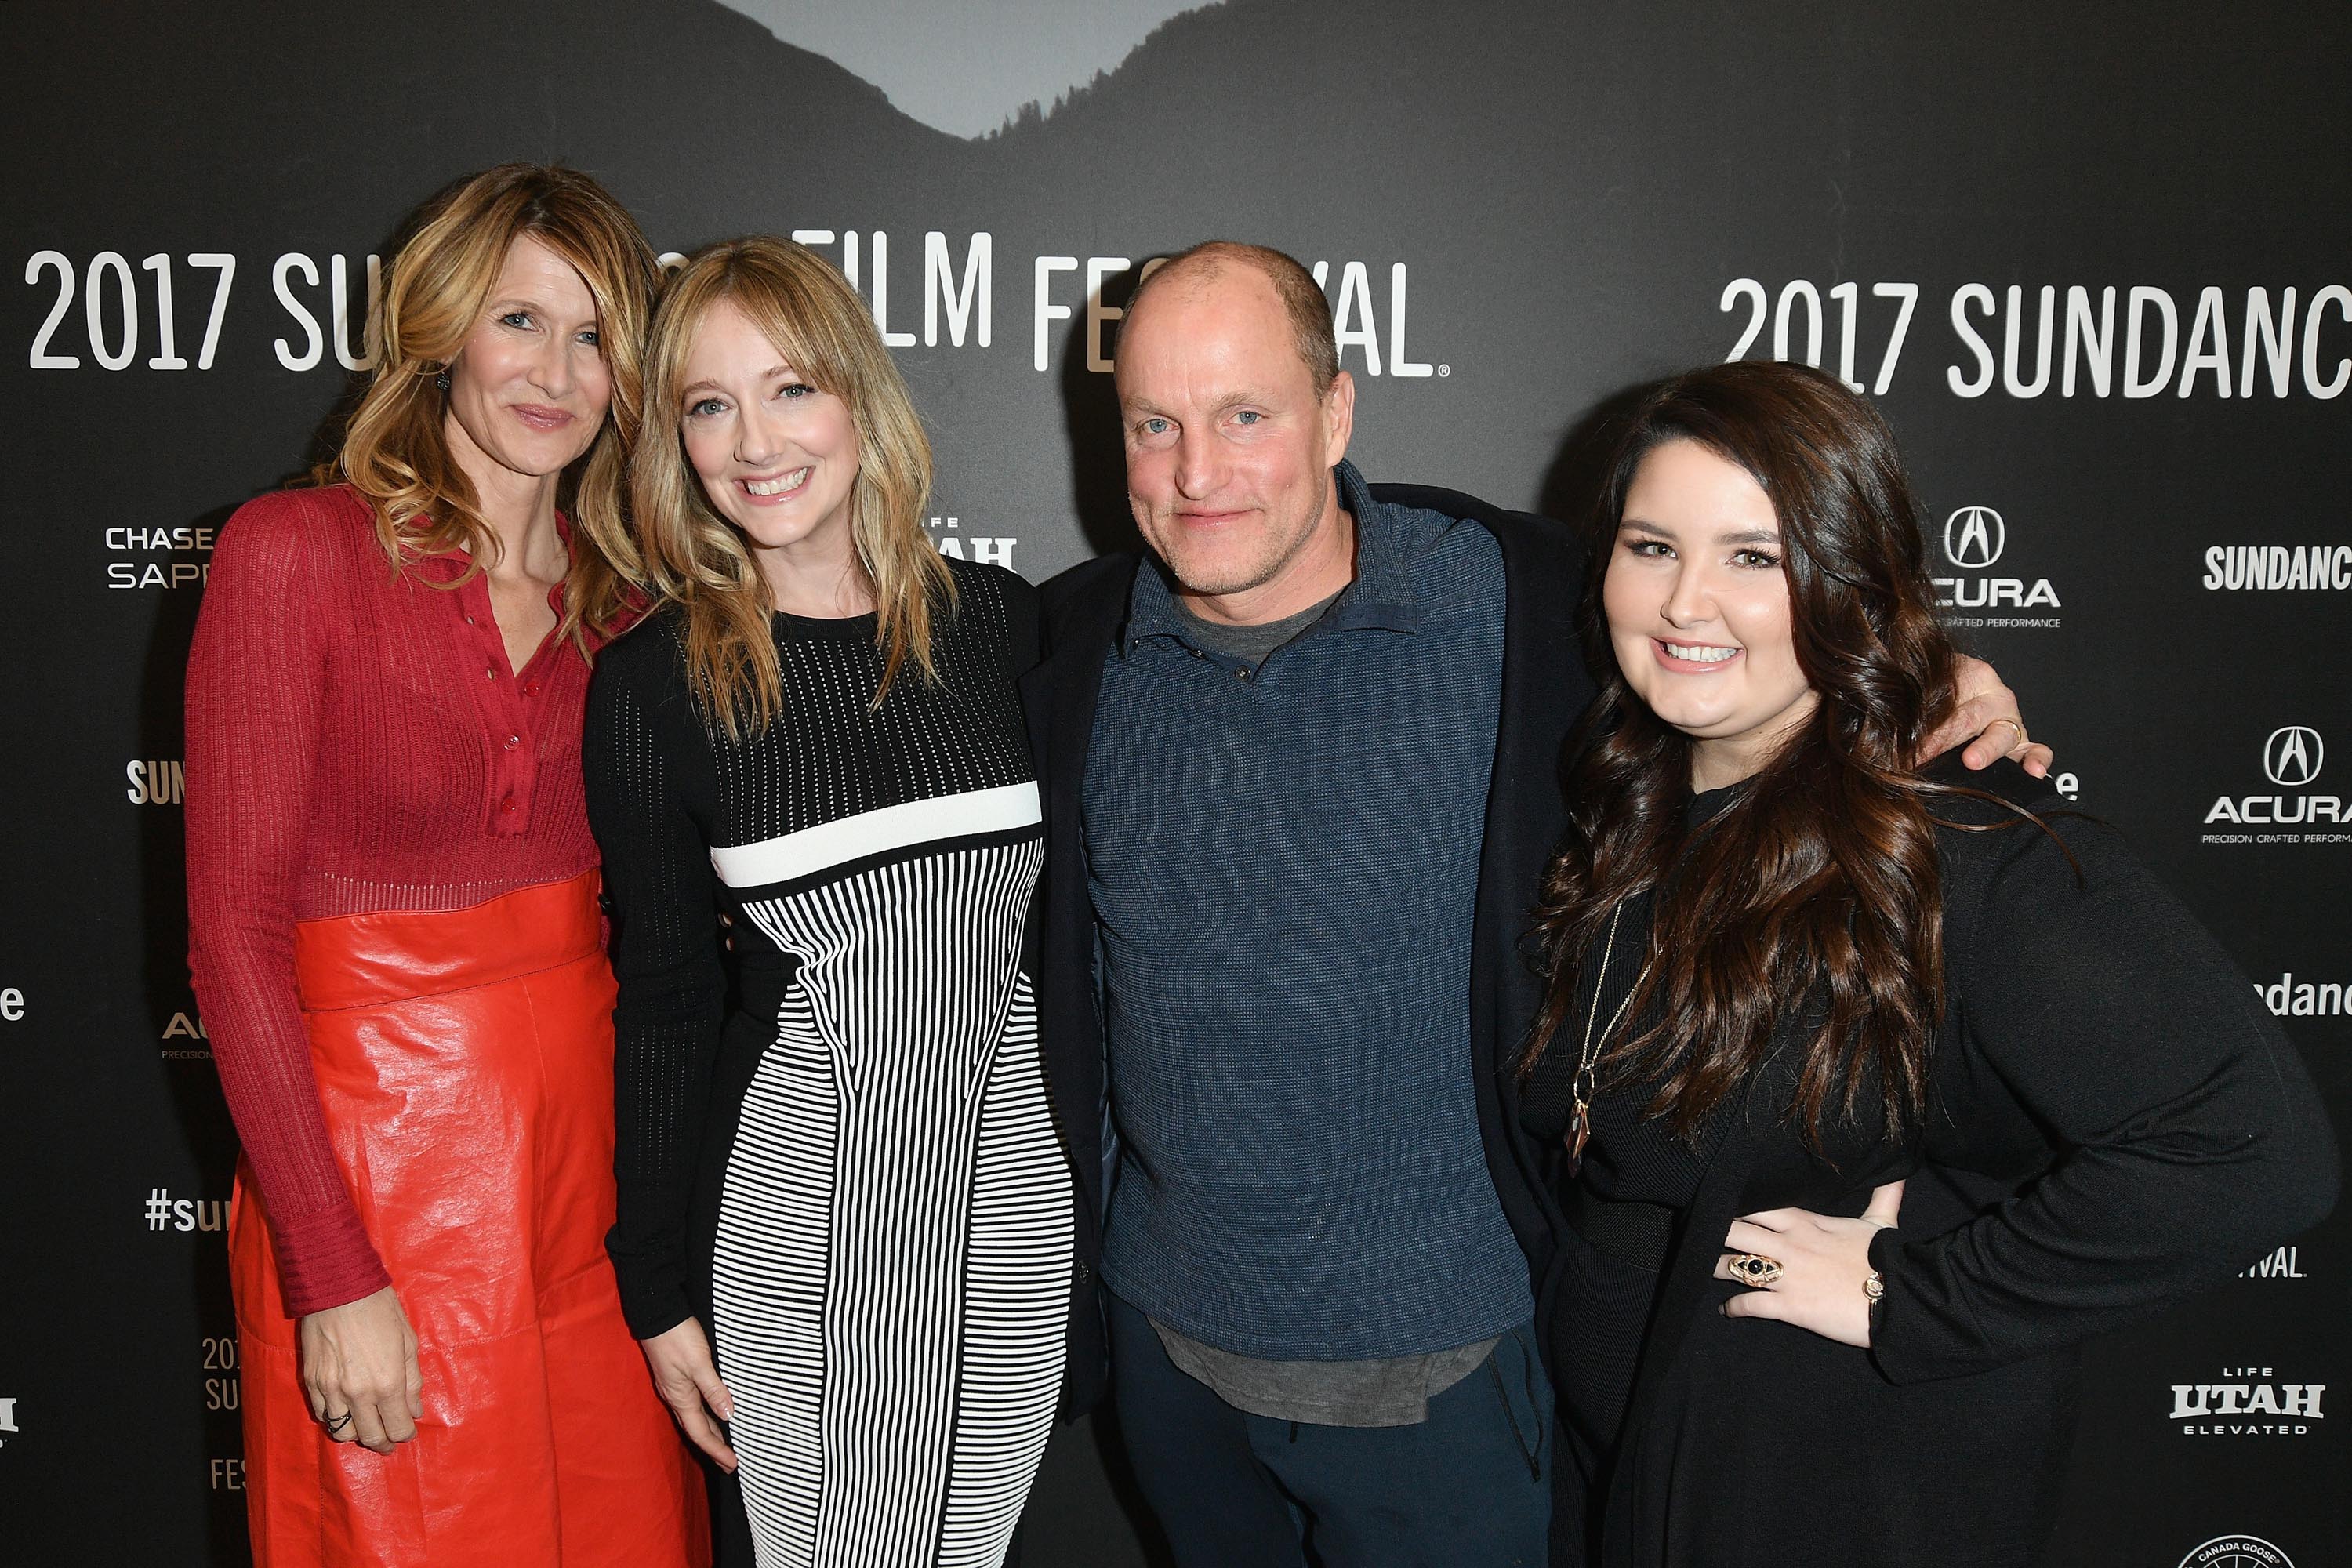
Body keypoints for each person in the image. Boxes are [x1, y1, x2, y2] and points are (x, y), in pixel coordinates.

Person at [1022, 243, 2046, 1566]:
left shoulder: (1525, 606)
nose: (1195, 473)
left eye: (1246, 416)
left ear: (1338, 412)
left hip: (1447, 1367)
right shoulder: (1063, 647)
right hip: (1166, 1361)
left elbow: (1732, 639)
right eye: (1152, 425)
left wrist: (1930, 684)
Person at [1518, 359, 2338, 1567]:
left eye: (1756, 556)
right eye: (1652, 546)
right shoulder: (1626, 794)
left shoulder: (1962, 841)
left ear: (1848, 576)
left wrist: (1922, 1295)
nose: (1687, 601)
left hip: (1830, 1494)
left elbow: (2258, 1154)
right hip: (1629, 1468)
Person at [185, 165, 706, 1566]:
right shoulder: (291, 555)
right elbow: (232, 943)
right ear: (439, 332)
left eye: (594, 335)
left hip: (591, 1212)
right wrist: (330, 1267)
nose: (556, 371)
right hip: (375, 1197)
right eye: (518, 321)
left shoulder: (634, 614)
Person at [584, 236, 1074, 1568]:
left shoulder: (1009, 628)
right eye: (708, 404)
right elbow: (671, 1007)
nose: (754, 443)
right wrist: (657, 1292)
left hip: (1012, 1214)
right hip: (797, 1225)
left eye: (791, 389)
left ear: (861, 399)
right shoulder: (653, 687)